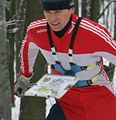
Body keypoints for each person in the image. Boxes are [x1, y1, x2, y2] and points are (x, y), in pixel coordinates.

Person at [14, 0, 116, 120]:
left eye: (58, 11)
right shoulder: (36, 31)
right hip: (65, 102)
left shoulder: (92, 33)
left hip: (98, 98)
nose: (52, 18)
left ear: (71, 10)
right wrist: (25, 77)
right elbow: (27, 47)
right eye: (48, 12)